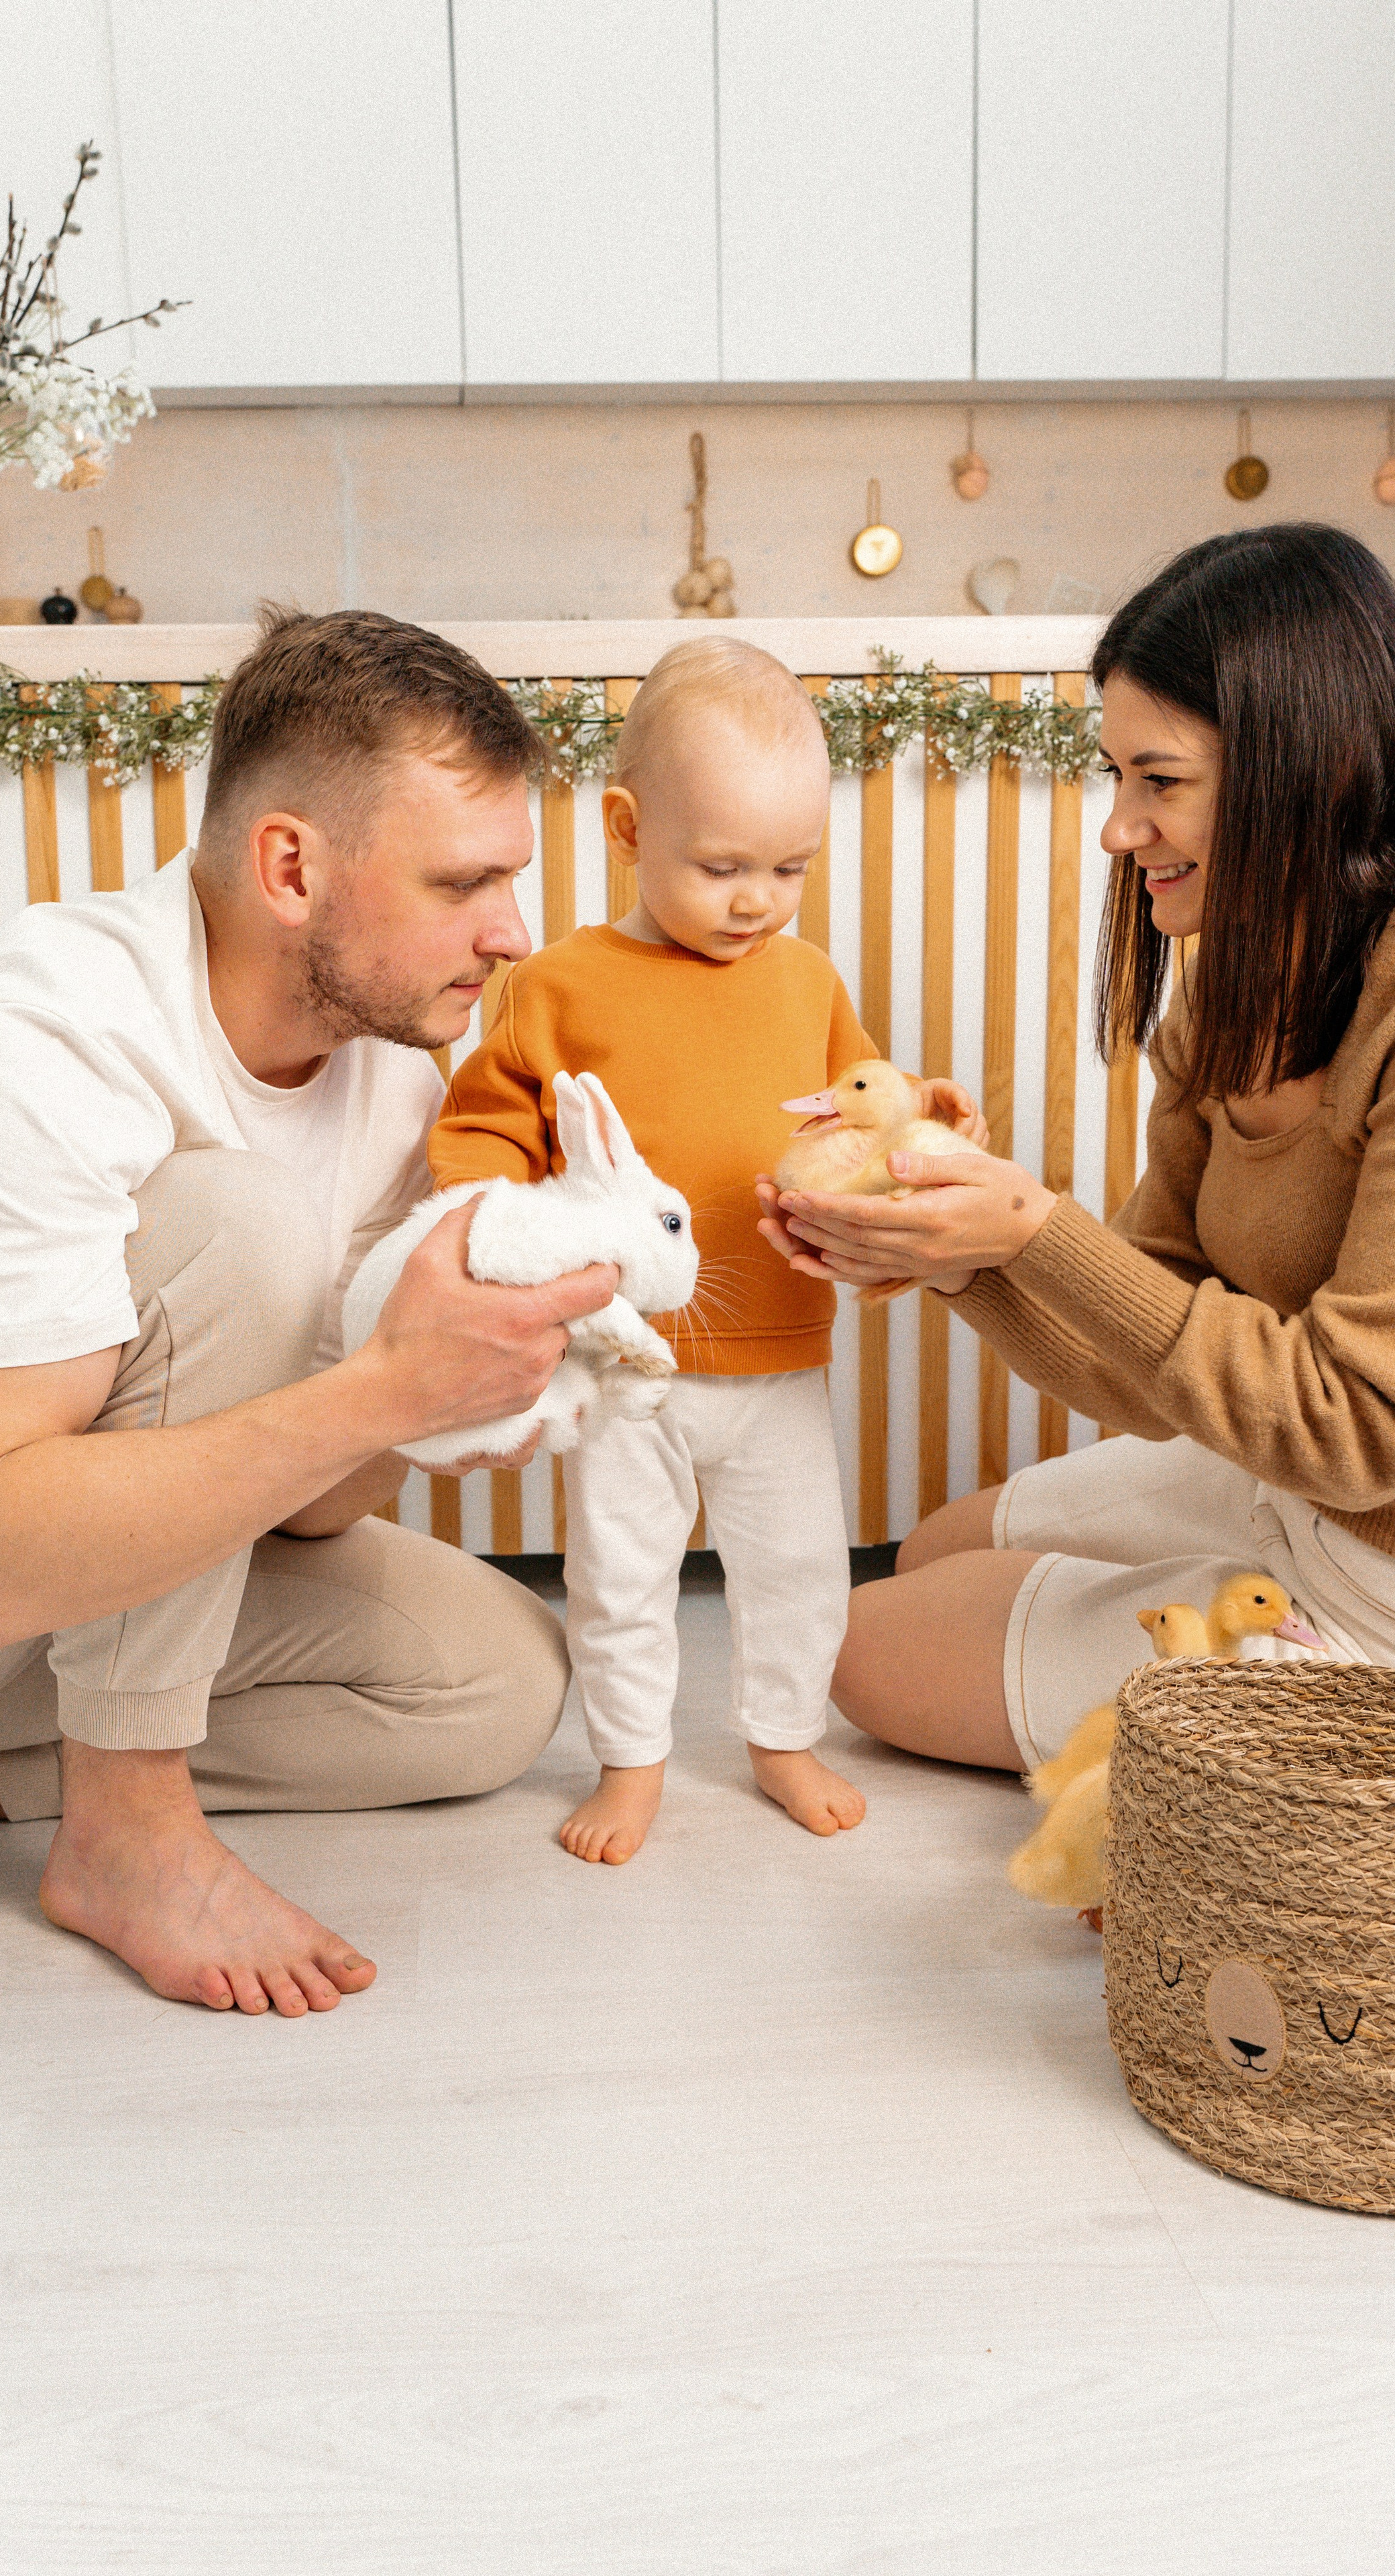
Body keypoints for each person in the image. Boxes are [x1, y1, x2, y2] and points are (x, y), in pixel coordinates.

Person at [0, 606, 623, 2014]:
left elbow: (301, 1514)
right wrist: (382, 1388)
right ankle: (127, 1830)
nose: (513, 933)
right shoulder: (29, 1046)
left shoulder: (392, 1077)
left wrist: (438, 1393)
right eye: (463, 882)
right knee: (237, 1226)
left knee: (491, 1680)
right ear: (291, 867)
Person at [758, 525, 1395, 1776]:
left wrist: (1035, 1230)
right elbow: (1143, 1348)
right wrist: (957, 1256)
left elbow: (1362, 1431)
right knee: (934, 1549)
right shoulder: (1241, 981)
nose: (1119, 830)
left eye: (1160, 781)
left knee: (861, 1653)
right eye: (1116, 775)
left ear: (1310, 770)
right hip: (1286, 1487)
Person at [431, 637, 979, 1862]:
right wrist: (497, 1234)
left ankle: (785, 1740)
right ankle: (632, 1762)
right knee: (621, 1575)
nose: (757, 901)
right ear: (628, 829)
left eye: (790, 868)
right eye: (723, 867)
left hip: (781, 1357)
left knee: (799, 1569)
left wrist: (923, 1122)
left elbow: (860, 1110)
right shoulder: (560, 986)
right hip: (631, 1359)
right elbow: (482, 1132)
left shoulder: (807, 982)